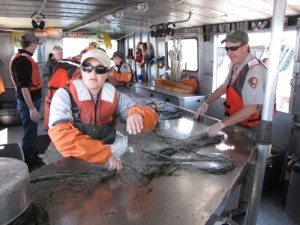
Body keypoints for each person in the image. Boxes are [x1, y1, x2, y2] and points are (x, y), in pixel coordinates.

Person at [194, 29, 273, 219]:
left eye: (233, 48)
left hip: (254, 128)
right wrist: (206, 102)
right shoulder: (236, 65)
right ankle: (223, 201)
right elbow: (224, 87)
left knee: (249, 170)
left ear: (246, 47)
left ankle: (244, 208)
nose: (229, 52)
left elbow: (251, 108)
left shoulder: (254, 70)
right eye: (227, 48)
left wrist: (221, 124)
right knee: (234, 162)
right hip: (239, 124)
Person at [47, 49, 158, 171]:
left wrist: (137, 115)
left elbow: (151, 119)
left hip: (101, 158)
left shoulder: (115, 96)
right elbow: (61, 136)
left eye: (100, 69)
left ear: (108, 73)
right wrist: (103, 154)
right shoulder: (63, 95)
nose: (93, 73)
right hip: (64, 159)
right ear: (81, 70)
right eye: (87, 68)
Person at [10, 33, 44, 172]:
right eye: (35, 44)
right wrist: (32, 109)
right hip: (28, 103)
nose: (36, 47)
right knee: (29, 133)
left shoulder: (23, 58)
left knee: (32, 131)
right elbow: (24, 87)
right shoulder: (22, 61)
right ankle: (29, 163)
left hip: (31, 101)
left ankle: (33, 156)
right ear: (32, 44)